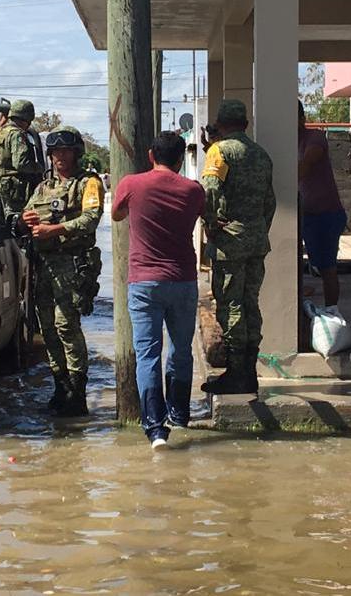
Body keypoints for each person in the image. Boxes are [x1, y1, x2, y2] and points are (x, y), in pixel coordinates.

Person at [111, 131, 205, 449]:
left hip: (143, 283)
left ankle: (155, 428)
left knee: (148, 354)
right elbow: (203, 217)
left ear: (151, 155)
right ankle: (179, 417)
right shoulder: (194, 191)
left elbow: (116, 214)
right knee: (181, 351)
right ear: (181, 159)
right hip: (182, 281)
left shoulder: (130, 184)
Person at [22, 126, 105, 416]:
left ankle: (77, 390)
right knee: (47, 328)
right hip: (44, 266)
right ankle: (61, 386)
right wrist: (25, 220)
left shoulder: (88, 183)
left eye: (65, 151)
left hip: (72, 263)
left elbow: (91, 219)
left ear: (76, 153)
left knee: (66, 326)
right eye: (55, 152)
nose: (60, 157)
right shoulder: (44, 187)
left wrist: (54, 229)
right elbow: (28, 214)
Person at [200, 99, 276, 395]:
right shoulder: (261, 155)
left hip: (229, 244)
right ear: (245, 124)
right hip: (256, 240)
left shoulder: (219, 150)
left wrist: (210, 223)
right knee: (250, 303)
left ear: (219, 124)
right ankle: (250, 372)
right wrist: (257, 229)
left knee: (230, 304)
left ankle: (237, 374)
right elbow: (270, 201)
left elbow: (209, 190)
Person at [297, 101, 348, 307]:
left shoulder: (315, 137)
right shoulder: (287, 141)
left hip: (326, 214)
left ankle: (331, 311)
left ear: (302, 119)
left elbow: (307, 164)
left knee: (327, 267)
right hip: (304, 214)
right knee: (296, 263)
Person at [0, 100, 43, 222]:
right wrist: (38, 168)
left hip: (0, 183)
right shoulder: (17, 134)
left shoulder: (1, 131)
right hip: (14, 188)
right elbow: (20, 163)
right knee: (16, 222)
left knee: (4, 221)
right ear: (26, 118)